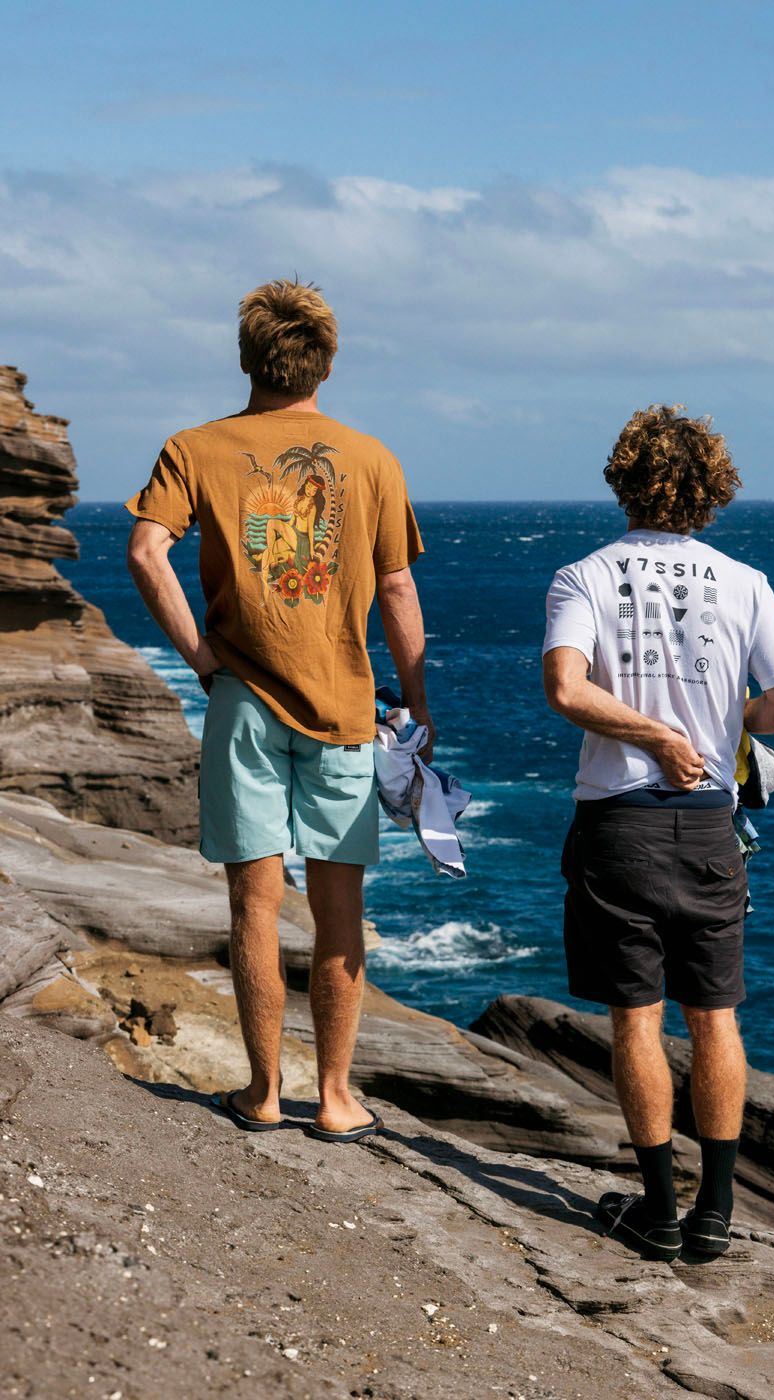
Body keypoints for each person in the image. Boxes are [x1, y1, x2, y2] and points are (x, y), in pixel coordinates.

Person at [125, 278, 433, 1143]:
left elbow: (147, 553)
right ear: (326, 363)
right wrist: (417, 703)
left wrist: (198, 655)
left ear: (245, 358)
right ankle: (336, 1099)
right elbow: (400, 588)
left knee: (253, 906)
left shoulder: (194, 448)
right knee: (340, 910)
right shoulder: (371, 459)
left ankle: (263, 1092)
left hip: (243, 707)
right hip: (342, 709)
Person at [543, 403, 774, 1258]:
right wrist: (721, 731)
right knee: (716, 1016)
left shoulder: (582, 576)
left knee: (636, 1019)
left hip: (619, 823)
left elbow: (567, 689)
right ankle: (718, 1215)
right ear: (712, 489)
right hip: (708, 832)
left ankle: (658, 1213)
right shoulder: (746, 582)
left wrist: (652, 736)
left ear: (623, 477)